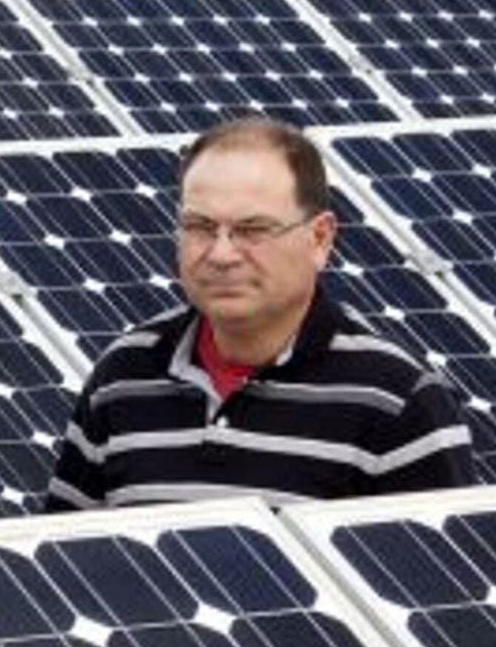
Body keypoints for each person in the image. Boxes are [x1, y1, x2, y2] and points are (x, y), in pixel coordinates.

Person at [46, 117, 472, 511]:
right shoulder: (124, 376)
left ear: (320, 238)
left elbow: (438, 586)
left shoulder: (398, 400)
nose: (222, 253)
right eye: (200, 226)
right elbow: (66, 564)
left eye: (253, 230)